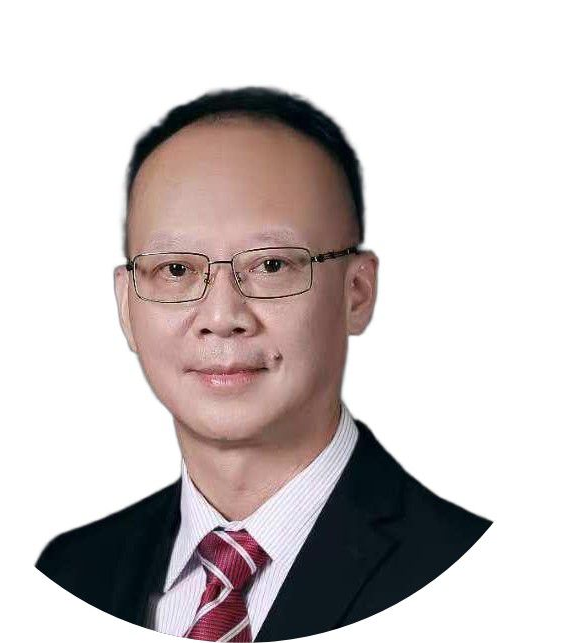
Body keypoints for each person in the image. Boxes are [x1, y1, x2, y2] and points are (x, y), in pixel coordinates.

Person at [35, 87, 492, 642]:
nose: (221, 317)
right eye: (176, 270)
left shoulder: (471, 573)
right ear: (127, 307)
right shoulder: (70, 575)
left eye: (271, 265)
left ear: (357, 292)